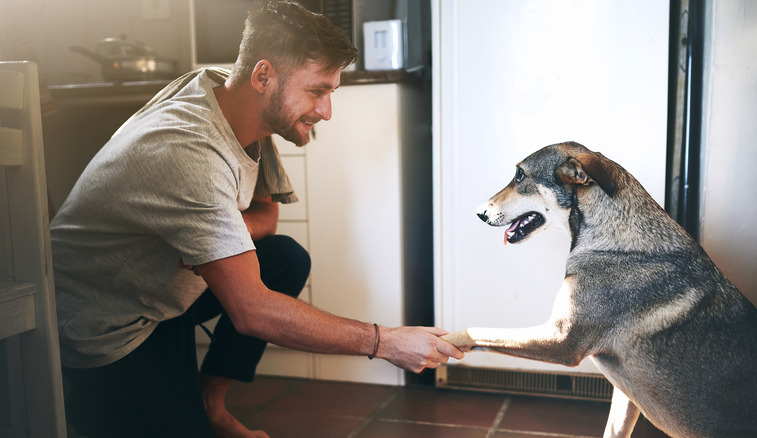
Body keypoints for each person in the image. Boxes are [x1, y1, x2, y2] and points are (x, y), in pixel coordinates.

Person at [50, 1, 464, 437]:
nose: (326, 112)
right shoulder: (189, 152)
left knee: (283, 258)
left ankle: (211, 402)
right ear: (263, 76)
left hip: (156, 290)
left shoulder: (232, 103)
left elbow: (267, 215)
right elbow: (252, 312)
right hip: (106, 325)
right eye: (317, 91)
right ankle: (97, 406)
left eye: (331, 94)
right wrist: (387, 341)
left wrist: (224, 237)